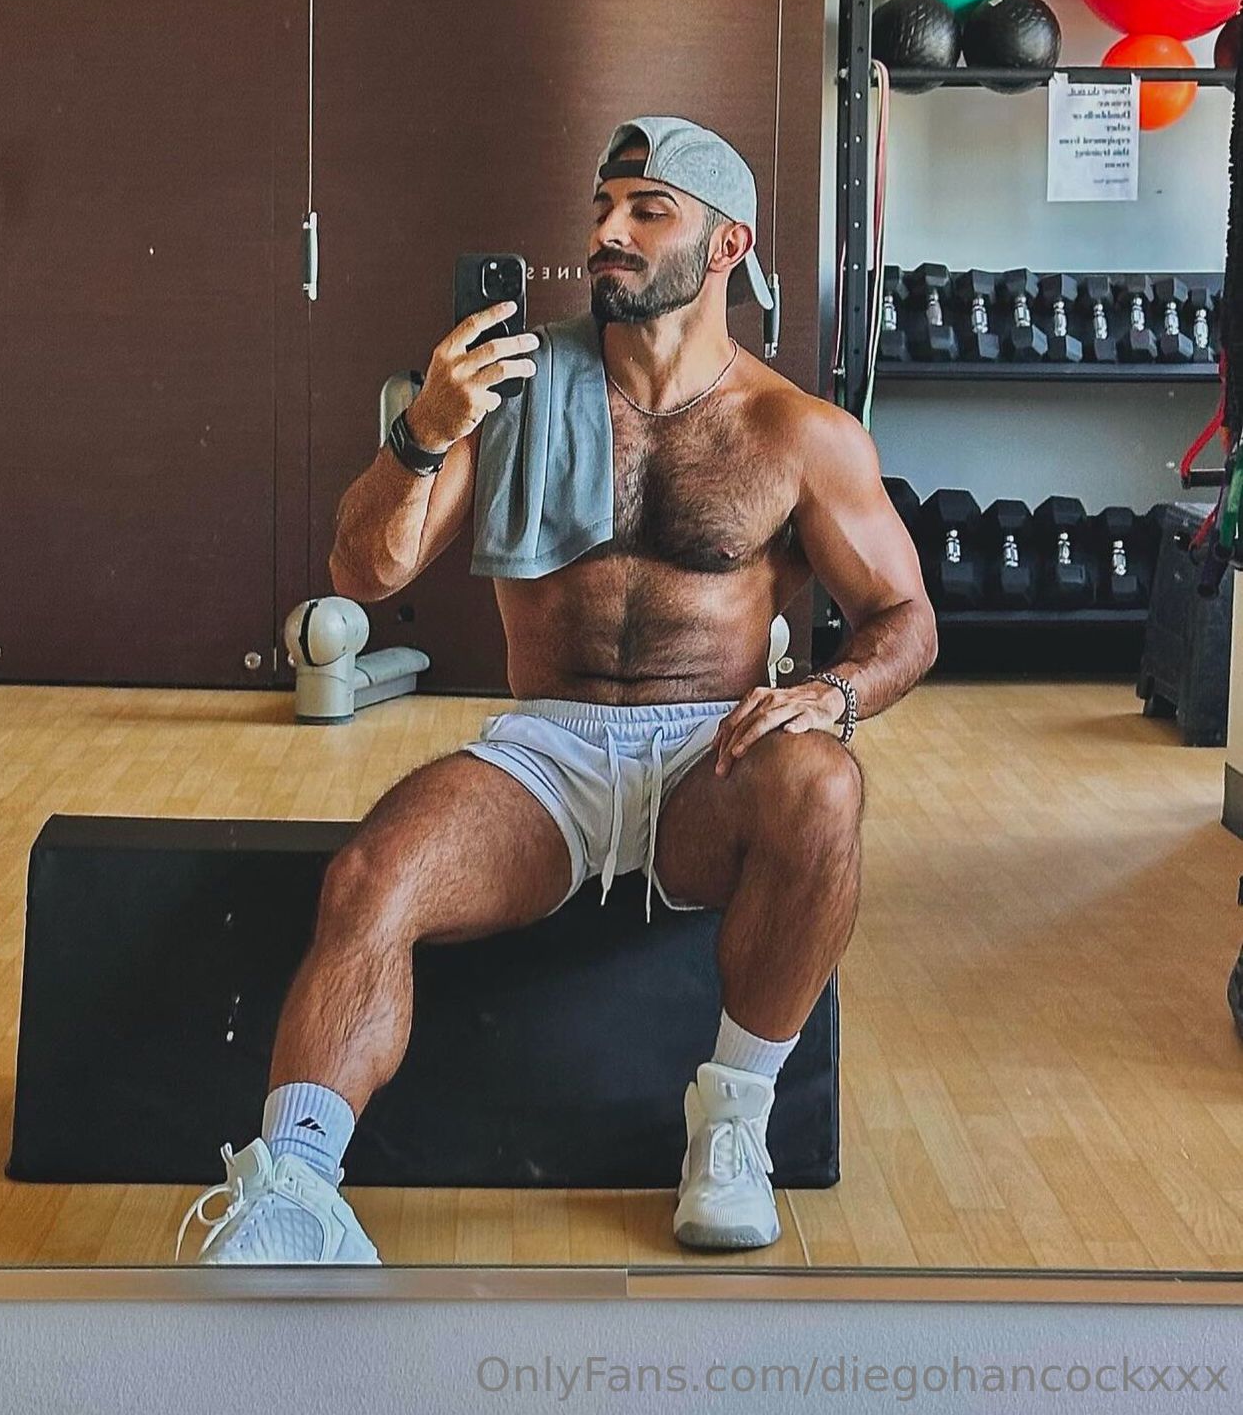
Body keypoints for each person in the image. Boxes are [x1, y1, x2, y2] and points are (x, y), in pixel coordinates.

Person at [175, 118, 938, 1265]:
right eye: (602, 207)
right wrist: (423, 433)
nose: (608, 231)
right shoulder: (513, 391)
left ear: (727, 244)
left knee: (826, 786)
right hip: (548, 748)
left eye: (647, 210)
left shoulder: (797, 432)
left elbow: (906, 619)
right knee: (373, 874)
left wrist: (833, 694)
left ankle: (732, 1122)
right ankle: (293, 1187)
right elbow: (363, 573)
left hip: (713, 755)